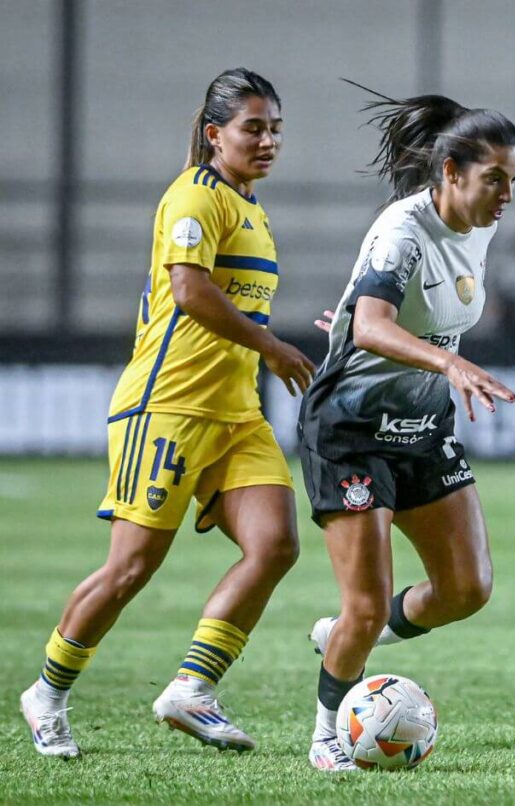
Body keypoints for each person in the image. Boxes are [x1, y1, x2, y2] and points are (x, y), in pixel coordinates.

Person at [20, 68, 316, 757]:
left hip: (236, 412)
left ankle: (192, 688)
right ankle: (48, 692)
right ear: (214, 134)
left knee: (275, 545)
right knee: (131, 569)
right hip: (168, 405)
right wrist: (270, 345)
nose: (267, 140)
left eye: (275, 128)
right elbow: (188, 291)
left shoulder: (251, 206)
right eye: (253, 128)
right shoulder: (195, 196)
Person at [297, 81, 515, 772]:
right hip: (352, 430)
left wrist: (422, 358)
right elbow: (372, 322)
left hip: (421, 425)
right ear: (450, 174)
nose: (506, 196)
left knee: (466, 590)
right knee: (364, 607)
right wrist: (447, 362)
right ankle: (327, 735)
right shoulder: (403, 228)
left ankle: (347, 636)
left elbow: (377, 312)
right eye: (495, 180)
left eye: (514, 181)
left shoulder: (478, 225)